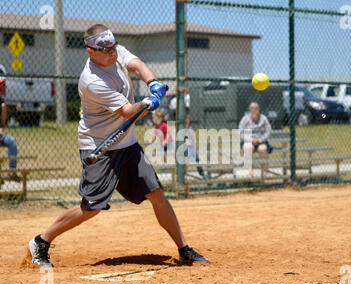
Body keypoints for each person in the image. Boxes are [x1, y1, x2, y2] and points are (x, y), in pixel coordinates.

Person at [28, 24, 209, 267]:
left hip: (127, 144)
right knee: (92, 208)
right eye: (105, 50)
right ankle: (41, 240)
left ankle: (183, 248)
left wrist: (152, 82)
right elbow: (126, 111)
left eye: (113, 47)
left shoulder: (116, 51)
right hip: (100, 147)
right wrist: (145, 103)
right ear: (90, 51)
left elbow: (136, 65)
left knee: (156, 194)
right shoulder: (92, 80)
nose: (112, 53)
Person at [238, 102, 273, 178]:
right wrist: (250, 139)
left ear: (259, 109)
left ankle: (266, 171)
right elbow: (240, 132)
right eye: (252, 108)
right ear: (249, 109)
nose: (254, 110)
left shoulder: (263, 118)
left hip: (261, 141)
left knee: (262, 149)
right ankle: (250, 172)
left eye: (256, 108)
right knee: (248, 148)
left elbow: (269, 131)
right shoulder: (245, 119)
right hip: (248, 141)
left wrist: (262, 139)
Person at [0, 96, 21, 182]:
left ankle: (12, 171)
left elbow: (2, 125)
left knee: (12, 141)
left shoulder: (2, 106)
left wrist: (0, 131)